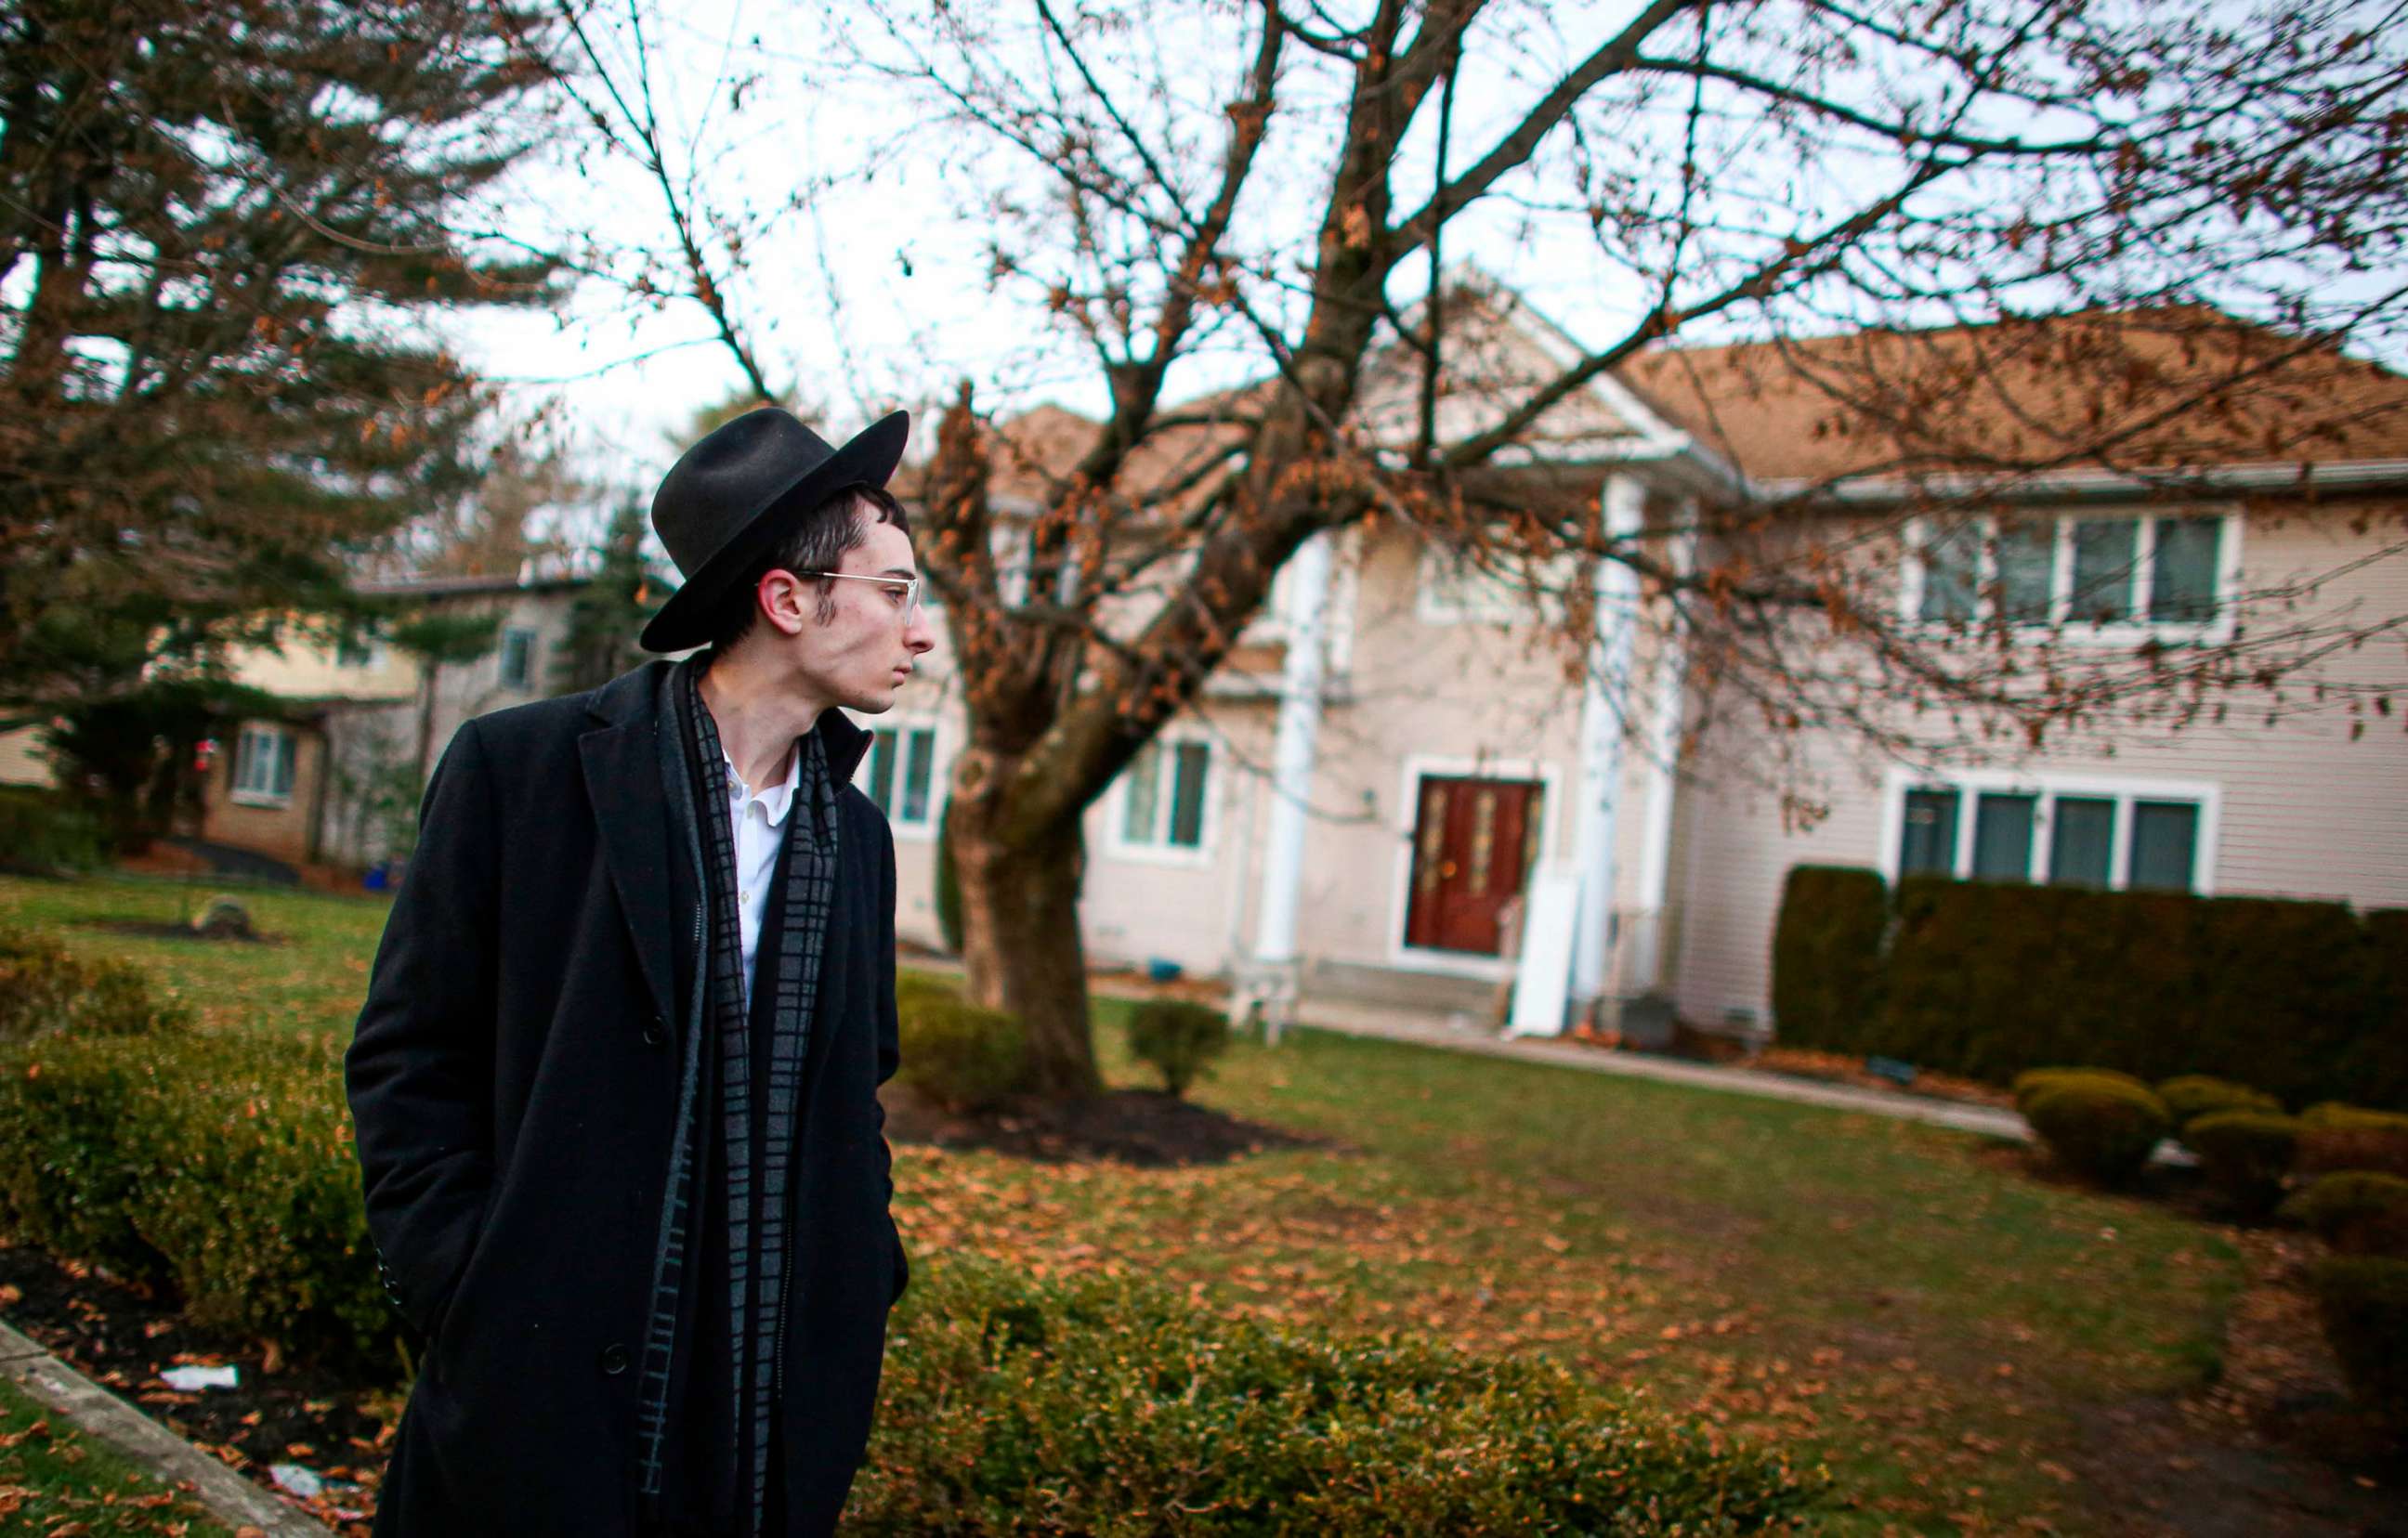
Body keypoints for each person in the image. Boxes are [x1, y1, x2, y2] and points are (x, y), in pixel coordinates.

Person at [346, 406, 937, 1536]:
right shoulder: (522, 772)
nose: (918, 633)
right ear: (786, 599)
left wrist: (862, 1281)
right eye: (897, 590)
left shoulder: (853, 842)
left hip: (765, 1395)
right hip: (537, 1374)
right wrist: (463, 1286)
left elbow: (855, 1091)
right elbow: (410, 1055)